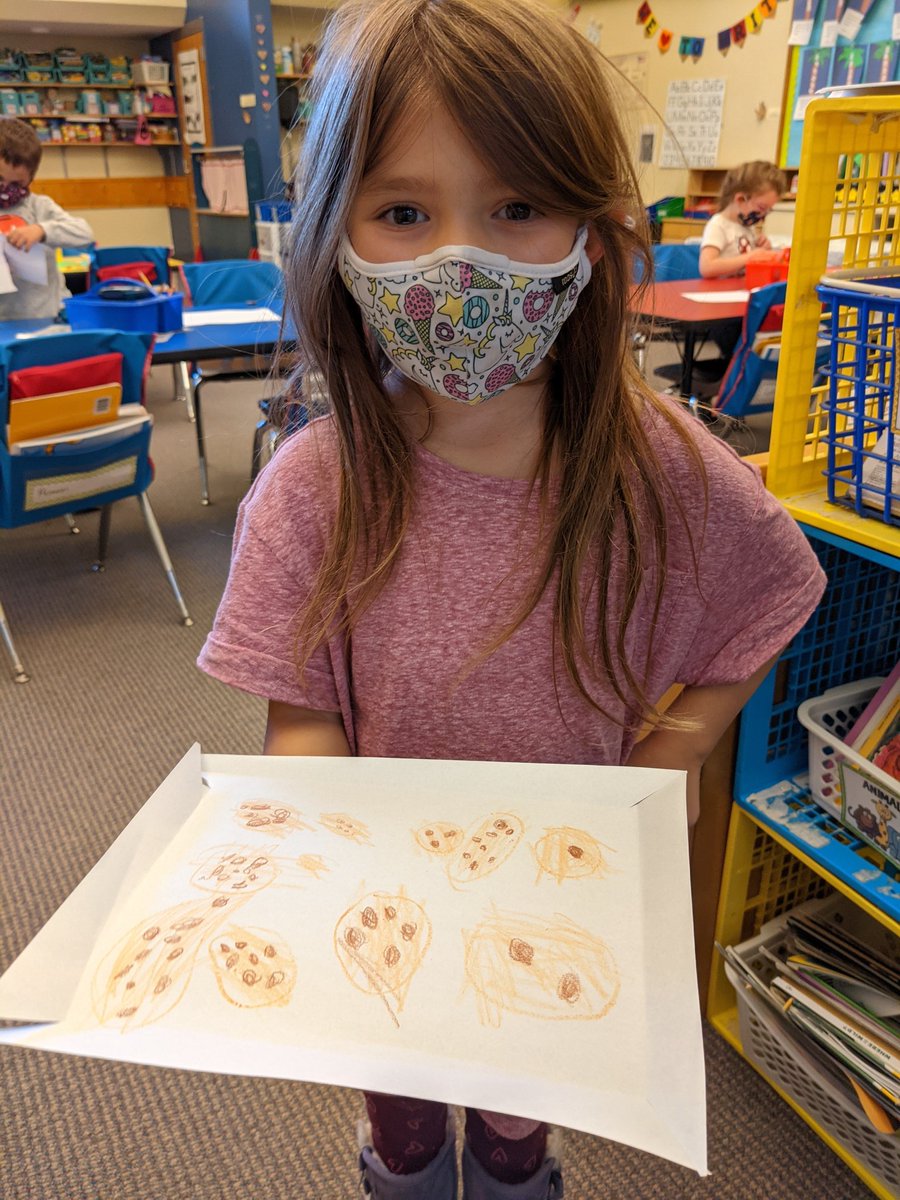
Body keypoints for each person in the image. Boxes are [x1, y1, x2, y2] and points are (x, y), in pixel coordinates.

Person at [197, 2, 826, 1196]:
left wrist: (672, 752)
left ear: (591, 228)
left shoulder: (661, 465)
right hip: (387, 905)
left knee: (517, 1121)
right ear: (338, 234)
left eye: (517, 208)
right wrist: (325, 854)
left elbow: (774, 593)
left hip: (561, 904)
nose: (459, 258)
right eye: (401, 212)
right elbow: (302, 719)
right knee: (406, 1123)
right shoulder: (312, 491)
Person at [0, 117, 94, 320]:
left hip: (47, 316)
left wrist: (42, 231)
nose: (5, 189)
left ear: (30, 179)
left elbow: (84, 233)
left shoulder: (39, 206)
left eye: (16, 184)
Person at [698, 161, 788, 364]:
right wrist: (750, 257)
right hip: (722, 312)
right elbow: (707, 266)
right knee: (743, 352)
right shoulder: (718, 225)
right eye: (761, 208)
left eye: (768, 210)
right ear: (740, 198)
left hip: (743, 304)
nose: (763, 215)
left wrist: (763, 250)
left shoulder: (746, 228)